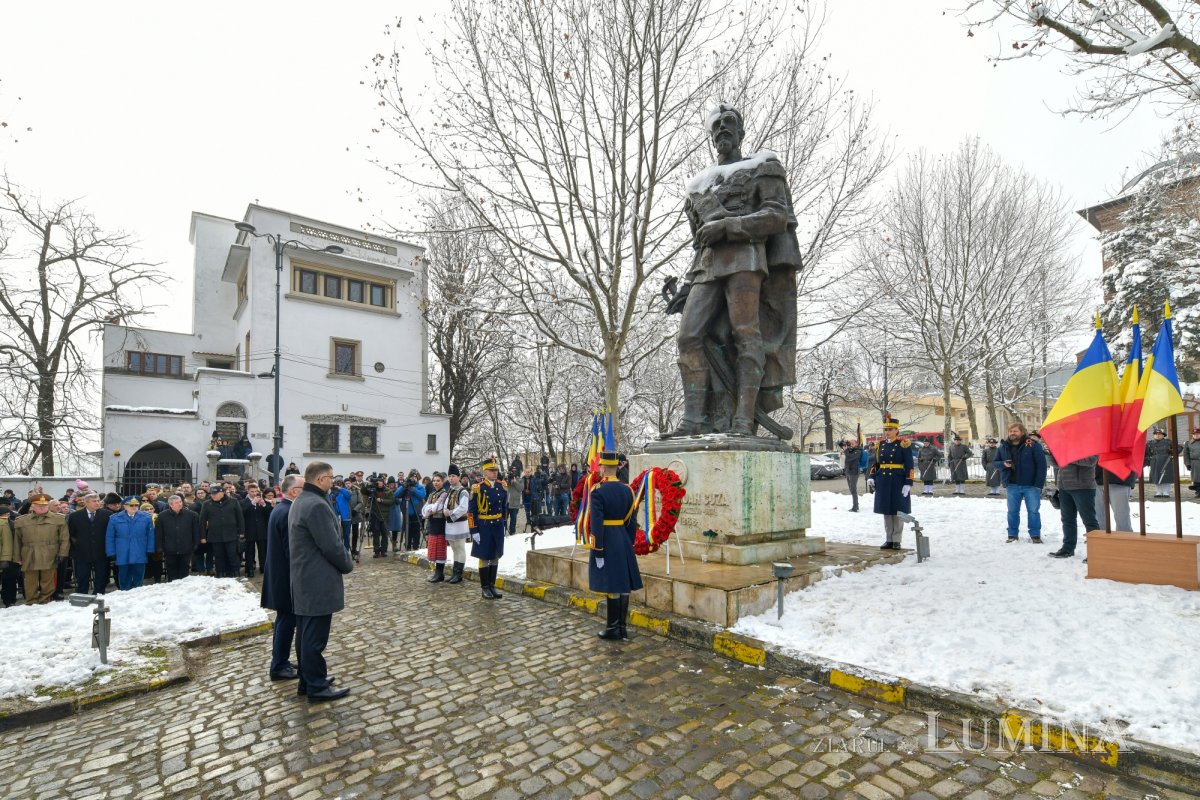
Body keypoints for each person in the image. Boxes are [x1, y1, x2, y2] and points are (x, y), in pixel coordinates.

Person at [664, 103, 800, 437]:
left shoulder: (762, 167)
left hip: (746, 260)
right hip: (707, 267)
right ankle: (694, 419)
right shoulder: (698, 186)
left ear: (740, 131)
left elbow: (775, 217)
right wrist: (685, 286)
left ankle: (742, 420)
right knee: (688, 337)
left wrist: (728, 226)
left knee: (745, 334)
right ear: (711, 137)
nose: (722, 129)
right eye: (716, 126)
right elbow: (699, 242)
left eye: (728, 124)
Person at [289, 462, 354, 702]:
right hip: (316, 579)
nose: (333, 481)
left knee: (305, 634)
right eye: (330, 477)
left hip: (305, 578)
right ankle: (316, 686)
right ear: (319, 480)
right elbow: (331, 545)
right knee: (314, 638)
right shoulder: (315, 504)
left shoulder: (302, 500)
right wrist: (346, 564)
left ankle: (308, 680)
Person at [588, 444, 643, 640]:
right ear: (618, 467)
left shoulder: (598, 491)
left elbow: (596, 524)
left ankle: (613, 628)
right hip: (622, 538)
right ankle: (622, 627)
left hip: (607, 540)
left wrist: (598, 550)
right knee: (623, 583)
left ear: (603, 467)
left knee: (612, 584)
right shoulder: (627, 490)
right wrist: (628, 542)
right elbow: (631, 521)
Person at [262, 474, 304, 682]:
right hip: (286, 577)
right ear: (294, 491)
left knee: (284, 621)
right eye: (304, 488)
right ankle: (279, 665)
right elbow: (292, 551)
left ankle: (281, 660)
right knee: (287, 622)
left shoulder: (282, 508)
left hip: (280, 575)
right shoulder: (288, 512)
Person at [866, 417, 914, 550]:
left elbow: (910, 465)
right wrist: (872, 476)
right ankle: (889, 539)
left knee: (898, 510)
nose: (887, 432)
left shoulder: (903, 444)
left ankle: (897, 539)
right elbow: (876, 463)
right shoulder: (880, 445)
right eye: (885, 429)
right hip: (884, 480)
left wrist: (908, 482)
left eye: (890, 429)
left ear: (896, 430)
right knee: (886, 510)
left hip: (898, 480)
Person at [12, 493, 69, 603]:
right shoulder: (22, 520)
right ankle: (31, 602)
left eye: (45, 505)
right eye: (39, 505)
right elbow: (17, 541)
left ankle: (45, 601)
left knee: (48, 581)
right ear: (33, 506)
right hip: (29, 554)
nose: (42, 507)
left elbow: (64, 539)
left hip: (49, 553)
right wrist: (17, 557)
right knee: (30, 581)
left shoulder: (59, 519)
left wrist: (62, 554)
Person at [994, 422, 1046, 543]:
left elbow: (1041, 466)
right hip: (1012, 485)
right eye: (1011, 431)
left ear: (1022, 432)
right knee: (1012, 511)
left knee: (1033, 511)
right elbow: (995, 463)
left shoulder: (1033, 445)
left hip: (1031, 485)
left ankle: (1035, 535)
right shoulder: (1003, 447)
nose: (1012, 433)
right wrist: (1003, 464)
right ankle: (1012, 534)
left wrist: (1038, 484)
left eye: (1015, 431)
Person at [470, 458, 509, 600]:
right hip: (484, 526)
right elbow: (471, 512)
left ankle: (492, 585)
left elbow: (504, 507)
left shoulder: (502, 486)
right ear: (485, 472)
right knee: (484, 557)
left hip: (497, 525)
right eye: (492, 471)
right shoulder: (478, 488)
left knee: (495, 556)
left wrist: (504, 524)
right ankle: (484, 587)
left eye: (496, 470)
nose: (495, 473)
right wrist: (474, 530)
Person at [1050, 456, 1100, 559]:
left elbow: (1091, 461)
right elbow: (1056, 463)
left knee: (1089, 520)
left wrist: (1069, 455)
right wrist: (1050, 454)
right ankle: (1067, 549)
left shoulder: (1089, 442)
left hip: (1083, 487)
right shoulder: (1064, 443)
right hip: (1064, 486)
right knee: (1067, 520)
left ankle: (1095, 552)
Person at [106, 496, 155, 590]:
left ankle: (137, 595)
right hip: (122, 551)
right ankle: (125, 594)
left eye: (136, 505)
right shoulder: (114, 518)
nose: (134, 507)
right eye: (131, 505)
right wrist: (111, 552)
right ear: (124, 506)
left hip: (139, 550)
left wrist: (150, 549)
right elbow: (110, 537)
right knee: (124, 575)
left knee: (139, 575)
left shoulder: (146, 517)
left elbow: (150, 535)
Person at [67, 491, 111, 594]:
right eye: (94, 501)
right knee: (82, 576)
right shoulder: (75, 516)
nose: (97, 503)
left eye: (98, 501)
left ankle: (99, 593)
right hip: (82, 553)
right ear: (86, 503)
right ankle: (82, 594)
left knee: (101, 575)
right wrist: (76, 547)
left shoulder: (107, 514)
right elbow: (71, 534)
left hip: (101, 551)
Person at [199, 483, 245, 578]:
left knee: (232, 554)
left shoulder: (233, 502)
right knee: (218, 555)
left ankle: (235, 572)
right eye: (211, 494)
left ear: (222, 493)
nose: (213, 496)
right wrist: (203, 536)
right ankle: (220, 573)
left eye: (215, 494)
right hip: (215, 535)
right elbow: (202, 521)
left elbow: (240, 518)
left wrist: (241, 532)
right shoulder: (207, 504)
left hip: (231, 534)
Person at [157, 494, 200, 581]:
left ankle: (183, 590)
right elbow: (159, 533)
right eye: (177, 503)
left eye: (180, 501)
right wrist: (160, 547)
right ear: (171, 505)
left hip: (186, 547)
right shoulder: (162, 516)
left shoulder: (192, 515)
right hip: (170, 548)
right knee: (171, 570)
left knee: (184, 570)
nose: (180, 504)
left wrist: (195, 544)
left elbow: (196, 531)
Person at [443, 465, 470, 584]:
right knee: (454, 549)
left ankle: (459, 574)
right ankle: (455, 572)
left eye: (453, 476)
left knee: (460, 548)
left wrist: (450, 513)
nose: (451, 478)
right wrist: (445, 511)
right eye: (449, 476)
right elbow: (446, 503)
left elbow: (463, 508)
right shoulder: (450, 490)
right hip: (450, 524)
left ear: (458, 477)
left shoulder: (463, 491)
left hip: (460, 524)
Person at [422, 472, 450, 582]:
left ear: (442, 482)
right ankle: (437, 572)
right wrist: (429, 510)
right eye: (434, 480)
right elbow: (424, 509)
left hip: (440, 522)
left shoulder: (444, 493)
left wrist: (429, 510)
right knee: (433, 546)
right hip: (432, 522)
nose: (436, 482)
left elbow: (437, 507)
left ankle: (440, 573)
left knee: (440, 547)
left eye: (438, 480)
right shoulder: (432, 494)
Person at [1095, 463, 1135, 532]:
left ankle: (1125, 541)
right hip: (1096, 477)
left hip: (1120, 477)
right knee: (1098, 520)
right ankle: (1100, 541)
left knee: (1122, 519)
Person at [399, 470, 427, 551]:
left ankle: (416, 546)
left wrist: (414, 489)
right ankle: (407, 545)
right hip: (407, 512)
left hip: (416, 512)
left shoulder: (420, 487)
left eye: (415, 477)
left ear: (417, 478)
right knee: (407, 530)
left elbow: (422, 495)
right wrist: (404, 487)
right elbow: (396, 494)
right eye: (412, 477)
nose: (413, 479)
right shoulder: (405, 485)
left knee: (416, 530)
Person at [0, 500, 21, 606]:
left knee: (10, 580)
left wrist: (6, 558)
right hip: (7, 557)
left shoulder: (11, 524)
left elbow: (8, 542)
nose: (6, 516)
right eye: (4, 514)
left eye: (7, 514)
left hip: (10, 558)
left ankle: (10, 600)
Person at [1146, 428, 1176, 499]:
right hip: (1155, 462)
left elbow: (1178, 448)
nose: (1157, 436)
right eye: (1156, 434)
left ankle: (1166, 492)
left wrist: (1171, 452)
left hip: (1165, 461)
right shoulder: (1150, 443)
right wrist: (1149, 459)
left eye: (1159, 434)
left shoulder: (1168, 442)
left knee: (1166, 477)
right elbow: (1147, 453)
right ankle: (1158, 492)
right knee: (1156, 477)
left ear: (1163, 435)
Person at [839, 438, 864, 512]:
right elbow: (842, 446)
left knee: (853, 489)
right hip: (848, 471)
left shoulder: (858, 451)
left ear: (856, 444)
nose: (851, 445)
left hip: (854, 472)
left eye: (853, 444)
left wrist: (846, 450)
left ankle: (855, 507)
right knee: (851, 489)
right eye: (850, 444)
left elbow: (849, 457)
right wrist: (842, 443)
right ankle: (855, 505)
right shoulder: (850, 450)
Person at [328, 478, 352, 551]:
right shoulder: (331, 492)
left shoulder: (344, 491)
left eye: (340, 484)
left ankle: (346, 549)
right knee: (337, 534)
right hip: (335, 516)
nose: (338, 485)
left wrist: (341, 489)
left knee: (346, 535)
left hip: (345, 516)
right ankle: (339, 550)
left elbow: (349, 496)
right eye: (337, 483)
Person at [506, 469, 524, 536]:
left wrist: (515, 482)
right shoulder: (506, 479)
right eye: (512, 471)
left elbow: (521, 488)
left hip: (514, 502)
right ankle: (503, 532)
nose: (513, 472)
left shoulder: (520, 480)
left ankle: (512, 533)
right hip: (507, 502)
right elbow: (504, 487)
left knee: (513, 519)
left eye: (514, 471)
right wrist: (508, 480)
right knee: (505, 519)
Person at [1184, 428, 1200, 497]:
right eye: (1194, 434)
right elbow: (1186, 454)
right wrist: (1187, 464)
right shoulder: (1188, 443)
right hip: (1194, 463)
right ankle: (1198, 492)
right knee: (1196, 478)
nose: (1196, 435)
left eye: (1198, 434)